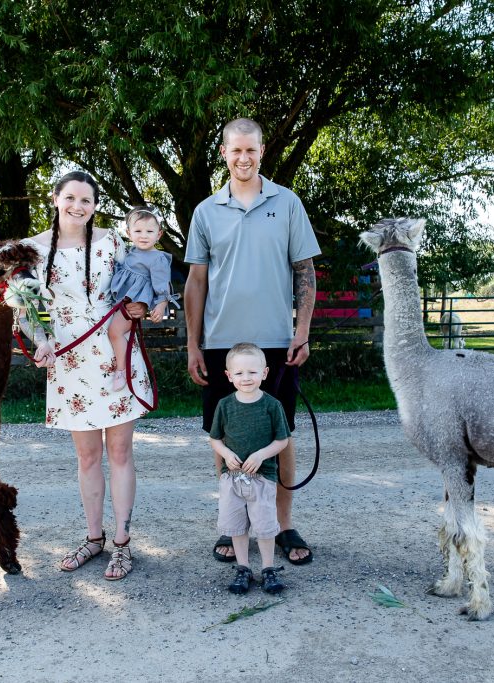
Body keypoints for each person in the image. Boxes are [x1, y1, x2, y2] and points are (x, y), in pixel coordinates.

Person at [184, 117, 321, 566]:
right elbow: (196, 283)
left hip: (277, 343)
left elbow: (305, 270)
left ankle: (282, 525)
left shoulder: (287, 203)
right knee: (225, 434)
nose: (243, 157)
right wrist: (194, 344)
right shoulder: (205, 211)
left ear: (262, 152)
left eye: (251, 150)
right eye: (235, 150)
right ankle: (232, 524)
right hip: (223, 342)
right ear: (223, 153)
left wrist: (301, 331)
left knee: (281, 432)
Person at [22, 171, 153, 581]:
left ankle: (122, 543)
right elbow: (28, 307)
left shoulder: (112, 240)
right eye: (71, 198)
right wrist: (40, 341)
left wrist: (141, 307)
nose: (78, 207)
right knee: (87, 456)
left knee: (120, 453)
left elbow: (139, 280)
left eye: (87, 201)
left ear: (95, 206)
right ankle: (93, 538)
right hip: (70, 362)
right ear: (56, 198)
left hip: (116, 353)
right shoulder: (31, 250)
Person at [210, 343, 291, 594]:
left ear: (264, 373)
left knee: (265, 525)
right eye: (240, 373)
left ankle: (268, 568)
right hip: (232, 477)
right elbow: (215, 438)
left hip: (262, 477)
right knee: (237, 526)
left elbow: (283, 440)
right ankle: (243, 568)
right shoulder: (224, 405)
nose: (246, 378)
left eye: (253, 372)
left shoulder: (272, 405)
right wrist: (226, 454)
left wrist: (261, 455)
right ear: (229, 375)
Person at [107, 206, 177, 391]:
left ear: (159, 234)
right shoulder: (129, 253)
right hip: (119, 301)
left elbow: (162, 286)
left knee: (115, 332)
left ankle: (122, 370)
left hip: (133, 303)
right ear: (129, 233)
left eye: (149, 231)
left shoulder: (157, 258)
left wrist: (161, 306)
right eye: (138, 231)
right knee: (115, 333)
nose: (143, 235)